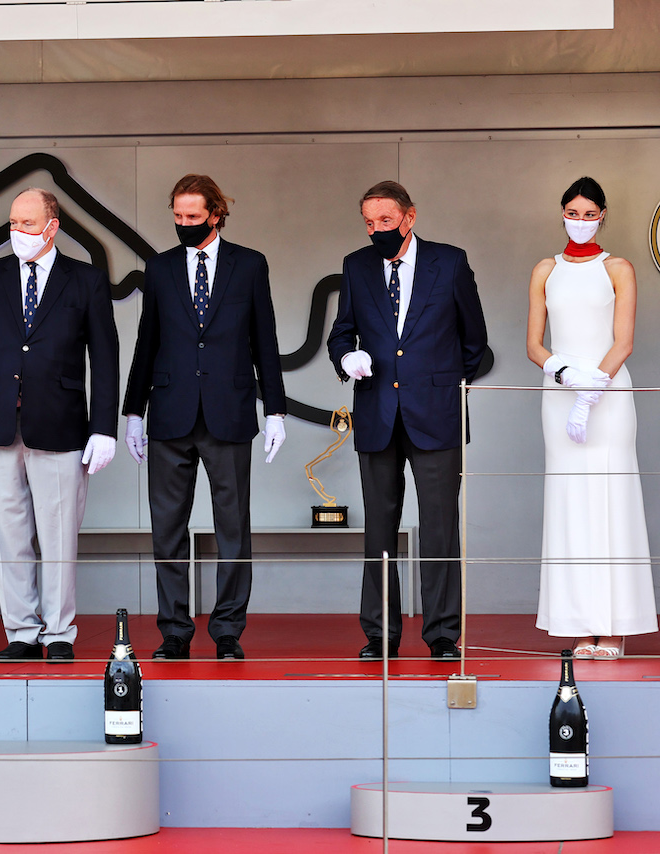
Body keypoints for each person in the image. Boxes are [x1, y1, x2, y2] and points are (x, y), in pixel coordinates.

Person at [0, 188, 119, 662]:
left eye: (27, 224)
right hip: (1, 422)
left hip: (62, 426)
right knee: (8, 533)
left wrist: (103, 426)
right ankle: (21, 631)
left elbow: (105, 358)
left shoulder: (85, 280)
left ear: (52, 225)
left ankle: (60, 632)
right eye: (12, 223)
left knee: (59, 534)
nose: (17, 233)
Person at [122, 174, 287, 661]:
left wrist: (275, 408)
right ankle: (174, 630)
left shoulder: (250, 265)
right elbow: (146, 341)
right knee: (166, 529)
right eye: (177, 216)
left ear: (216, 214)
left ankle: (228, 630)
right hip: (170, 414)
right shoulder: (159, 268)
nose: (183, 224)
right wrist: (133, 411)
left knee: (233, 527)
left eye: (193, 217)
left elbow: (266, 341)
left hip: (230, 412)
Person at [327, 180, 488, 660]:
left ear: (410, 217)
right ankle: (379, 634)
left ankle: (442, 635)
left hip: (435, 415)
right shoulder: (357, 266)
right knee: (378, 528)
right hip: (377, 413)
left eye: (386, 222)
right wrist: (347, 359)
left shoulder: (450, 261)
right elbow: (341, 333)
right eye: (369, 223)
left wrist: (437, 383)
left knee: (440, 528)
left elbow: (474, 342)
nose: (377, 230)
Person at [527, 176, 657, 659]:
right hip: (561, 391)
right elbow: (534, 344)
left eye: (589, 214)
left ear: (602, 216)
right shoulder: (545, 268)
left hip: (608, 393)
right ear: (561, 212)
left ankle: (615, 626)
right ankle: (582, 622)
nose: (579, 221)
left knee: (610, 498)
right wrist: (565, 376)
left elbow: (622, 342)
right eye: (572, 212)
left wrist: (592, 390)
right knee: (571, 501)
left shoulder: (618, 267)